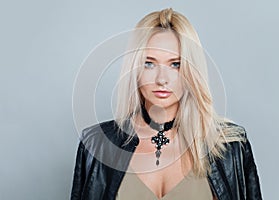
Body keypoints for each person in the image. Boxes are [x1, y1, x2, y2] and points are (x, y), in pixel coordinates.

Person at [71, 8, 262, 200]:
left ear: (191, 71)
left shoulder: (231, 147)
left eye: (175, 64)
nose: (162, 79)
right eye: (149, 63)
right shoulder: (96, 145)